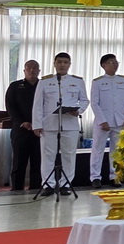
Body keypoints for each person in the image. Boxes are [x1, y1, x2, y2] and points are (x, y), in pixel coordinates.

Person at [30, 52, 88, 193]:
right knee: (48, 155)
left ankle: (65, 184)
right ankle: (48, 184)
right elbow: (37, 104)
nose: (62, 65)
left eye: (65, 62)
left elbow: (85, 100)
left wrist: (78, 110)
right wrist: (37, 124)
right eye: (59, 62)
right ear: (54, 63)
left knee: (69, 155)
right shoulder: (44, 81)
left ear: (69, 64)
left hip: (70, 124)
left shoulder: (78, 81)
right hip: (49, 124)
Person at [86, 54, 124, 187]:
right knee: (97, 149)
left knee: (116, 150)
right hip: (103, 122)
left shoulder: (123, 81)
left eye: (116, 62)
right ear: (103, 65)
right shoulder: (97, 82)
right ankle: (95, 177)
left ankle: (115, 176)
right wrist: (102, 120)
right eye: (111, 62)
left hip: (119, 121)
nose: (115, 64)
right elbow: (94, 103)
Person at [5, 59, 40, 190]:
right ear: (24, 70)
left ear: (39, 71)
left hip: (39, 130)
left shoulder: (43, 86)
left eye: (35, 68)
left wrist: (38, 123)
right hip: (20, 130)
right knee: (19, 162)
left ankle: (36, 188)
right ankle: (16, 190)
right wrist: (21, 122)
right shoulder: (15, 86)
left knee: (38, 162)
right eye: (29, 68)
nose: (32, 70)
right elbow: (10, 107)